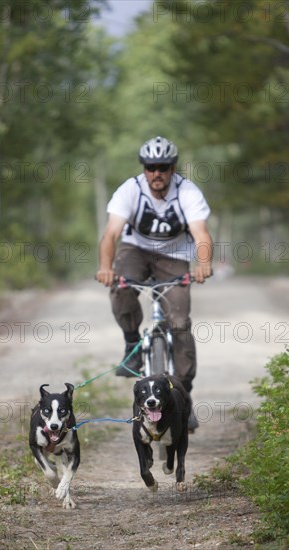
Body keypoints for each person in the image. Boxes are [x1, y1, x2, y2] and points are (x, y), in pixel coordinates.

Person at [96, 136, 213, 430]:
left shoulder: (187, 192)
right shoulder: (130, 190)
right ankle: (132, 342)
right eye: (150, 167)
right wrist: (105, 267)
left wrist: (203, 263)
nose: (156, 173)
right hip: (135, 251)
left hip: (174, 256)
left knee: (179, 321)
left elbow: (200, 233)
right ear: (144, 168)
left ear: (172, 168)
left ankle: (184, 395)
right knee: (120, 288)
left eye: (162, 167)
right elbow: (111, 234)